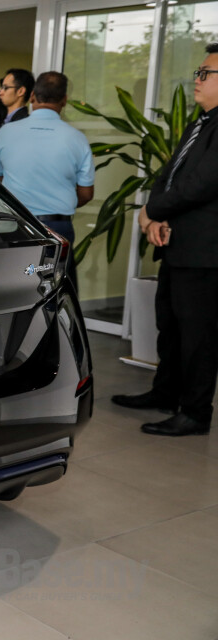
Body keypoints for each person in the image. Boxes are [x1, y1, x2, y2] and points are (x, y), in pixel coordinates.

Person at [113, 44, 218, 437]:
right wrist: (153, 211)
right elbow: (169, 175)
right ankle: (165, 393)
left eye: (205, 73)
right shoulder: (199, 123)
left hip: (205, 252)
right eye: (198, 71)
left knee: (198, 336)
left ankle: (195, 412)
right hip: (177, 243)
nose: (197, 78)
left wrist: (153, 211)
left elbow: (201, 184)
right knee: (170, 327)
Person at [0, 71, 94, 292]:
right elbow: (85, 194)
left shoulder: (6, 132)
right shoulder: (77, 138)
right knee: (56, 291)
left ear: (33, 96)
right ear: (64, 100)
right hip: (58, 227)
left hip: (15, 225)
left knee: (13, 288)